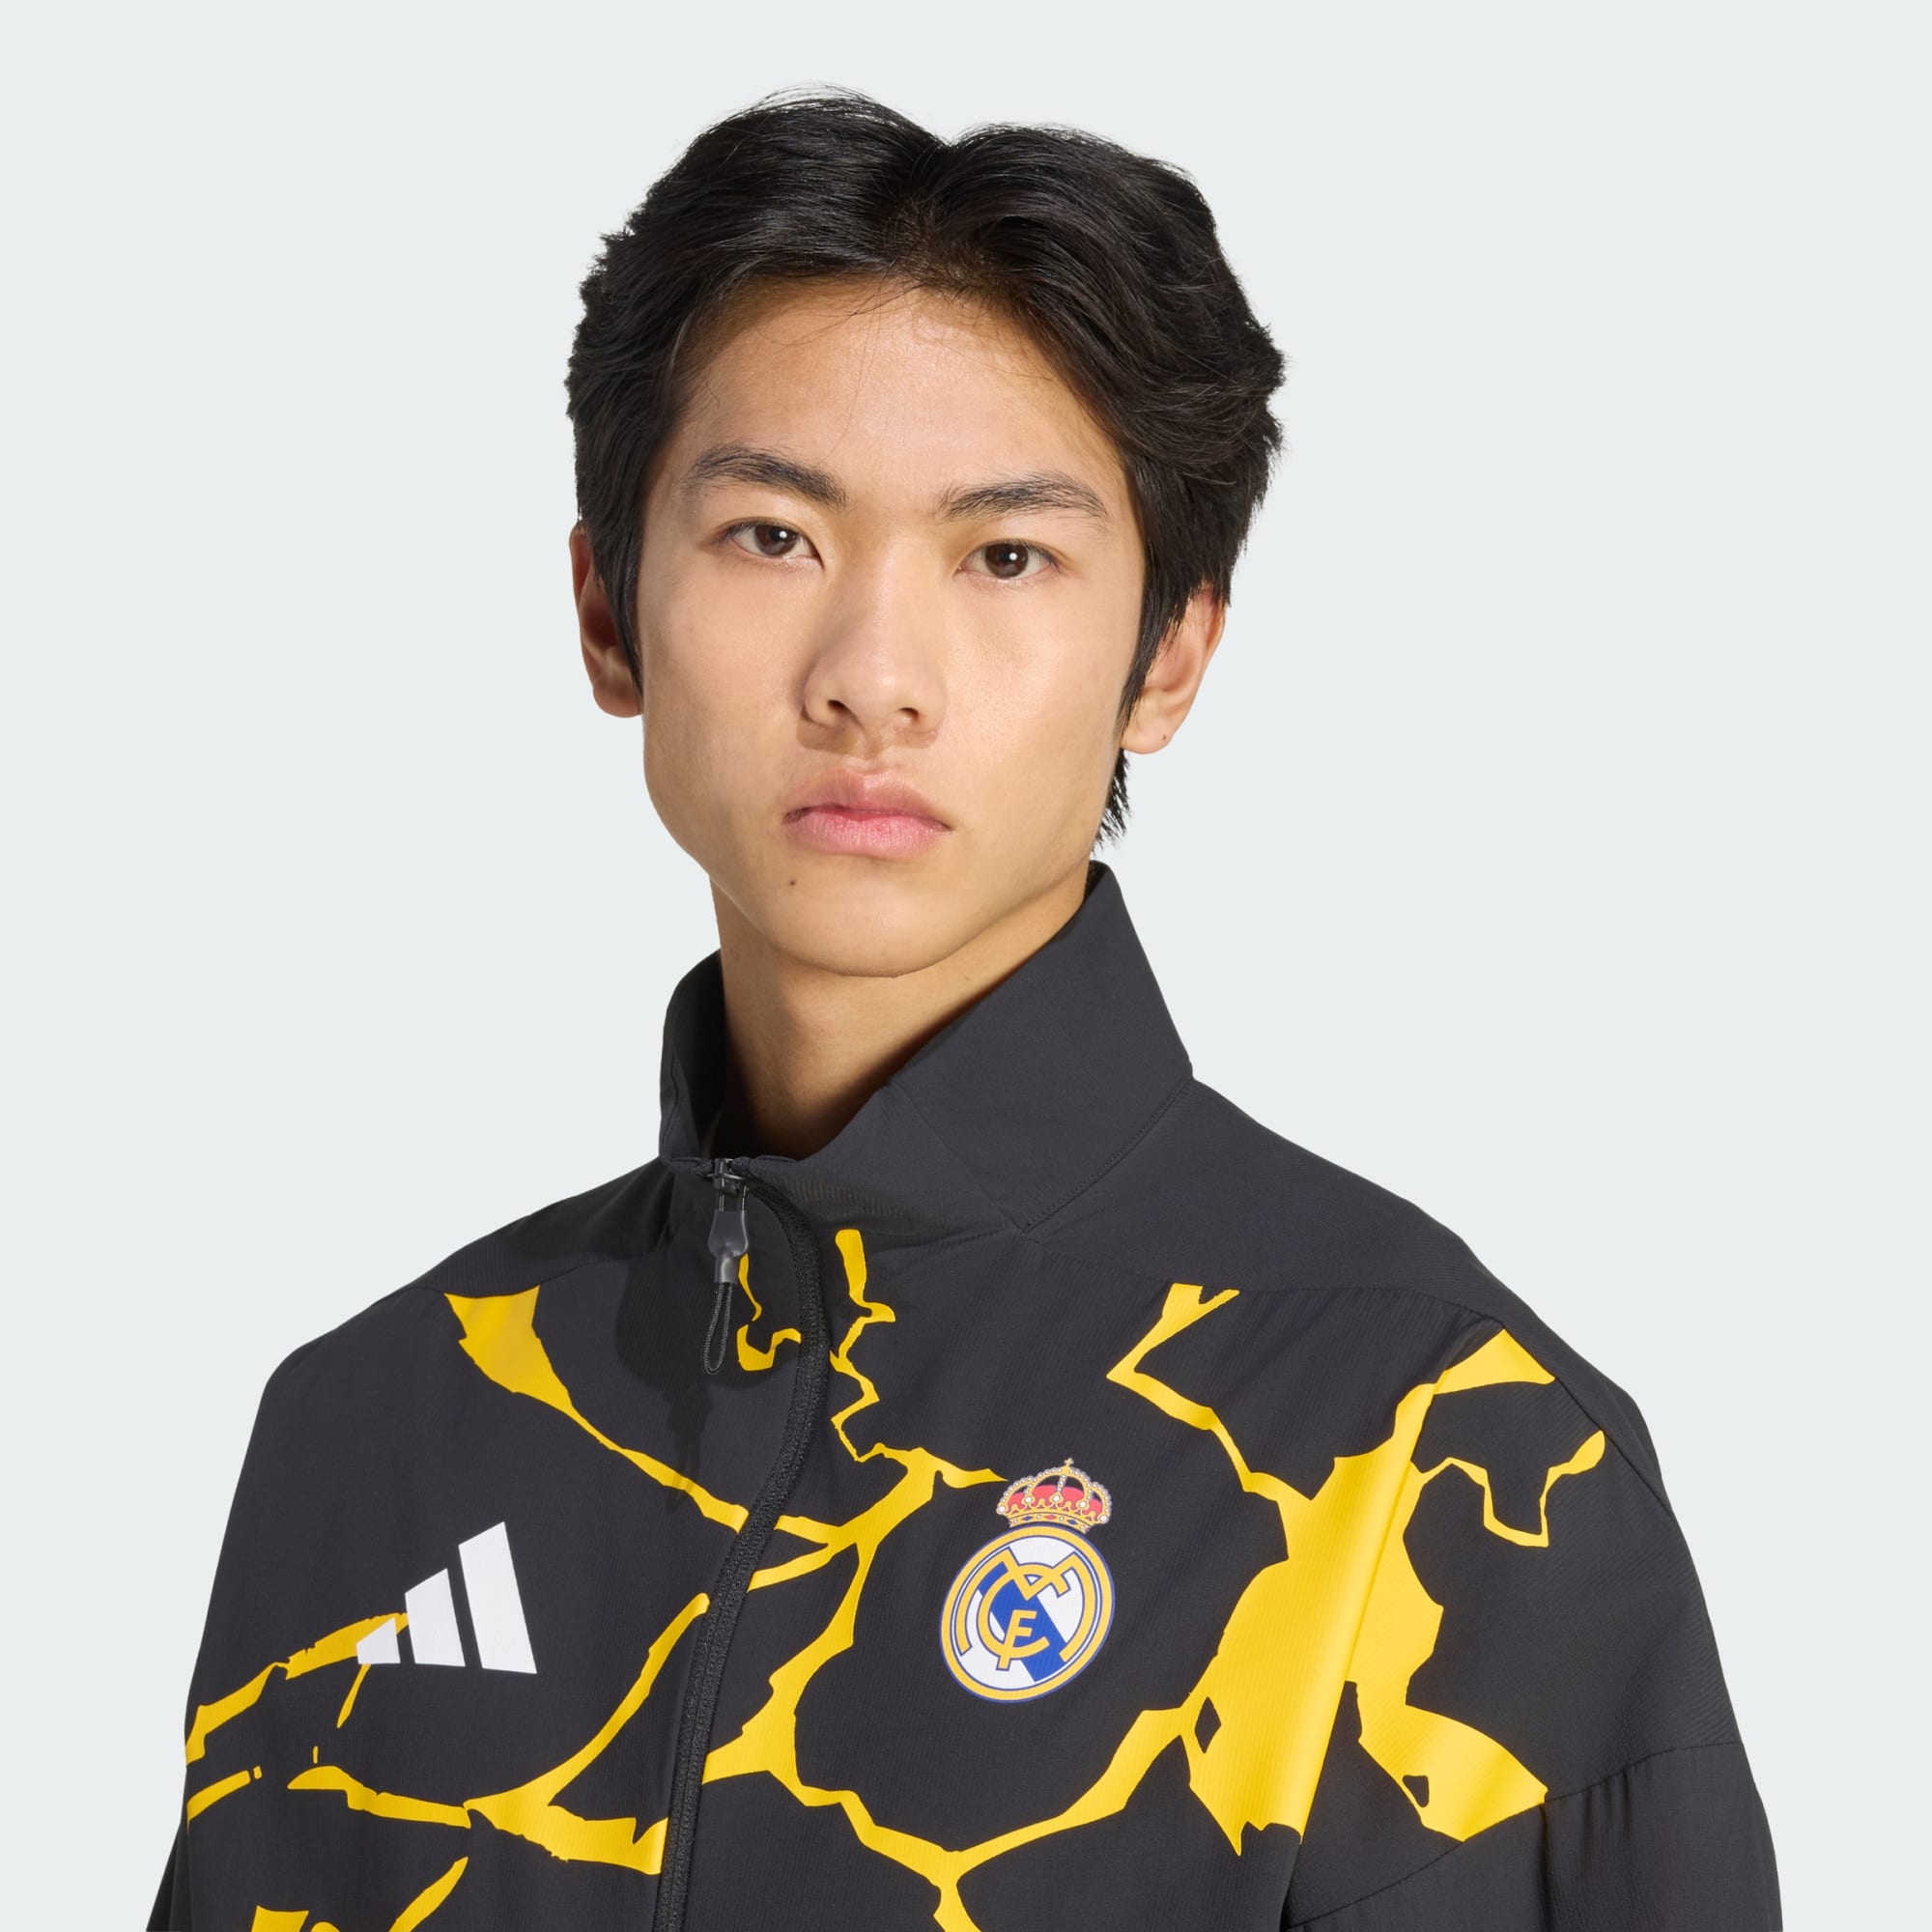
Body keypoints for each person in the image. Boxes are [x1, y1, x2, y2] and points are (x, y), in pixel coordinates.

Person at [151, 87, 1781, 1932]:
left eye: (1006, 556)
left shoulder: (1439, 1448)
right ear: (608, 609)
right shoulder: (378, 1430)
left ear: (1169, 654)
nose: (874, 679)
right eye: (772, 535)